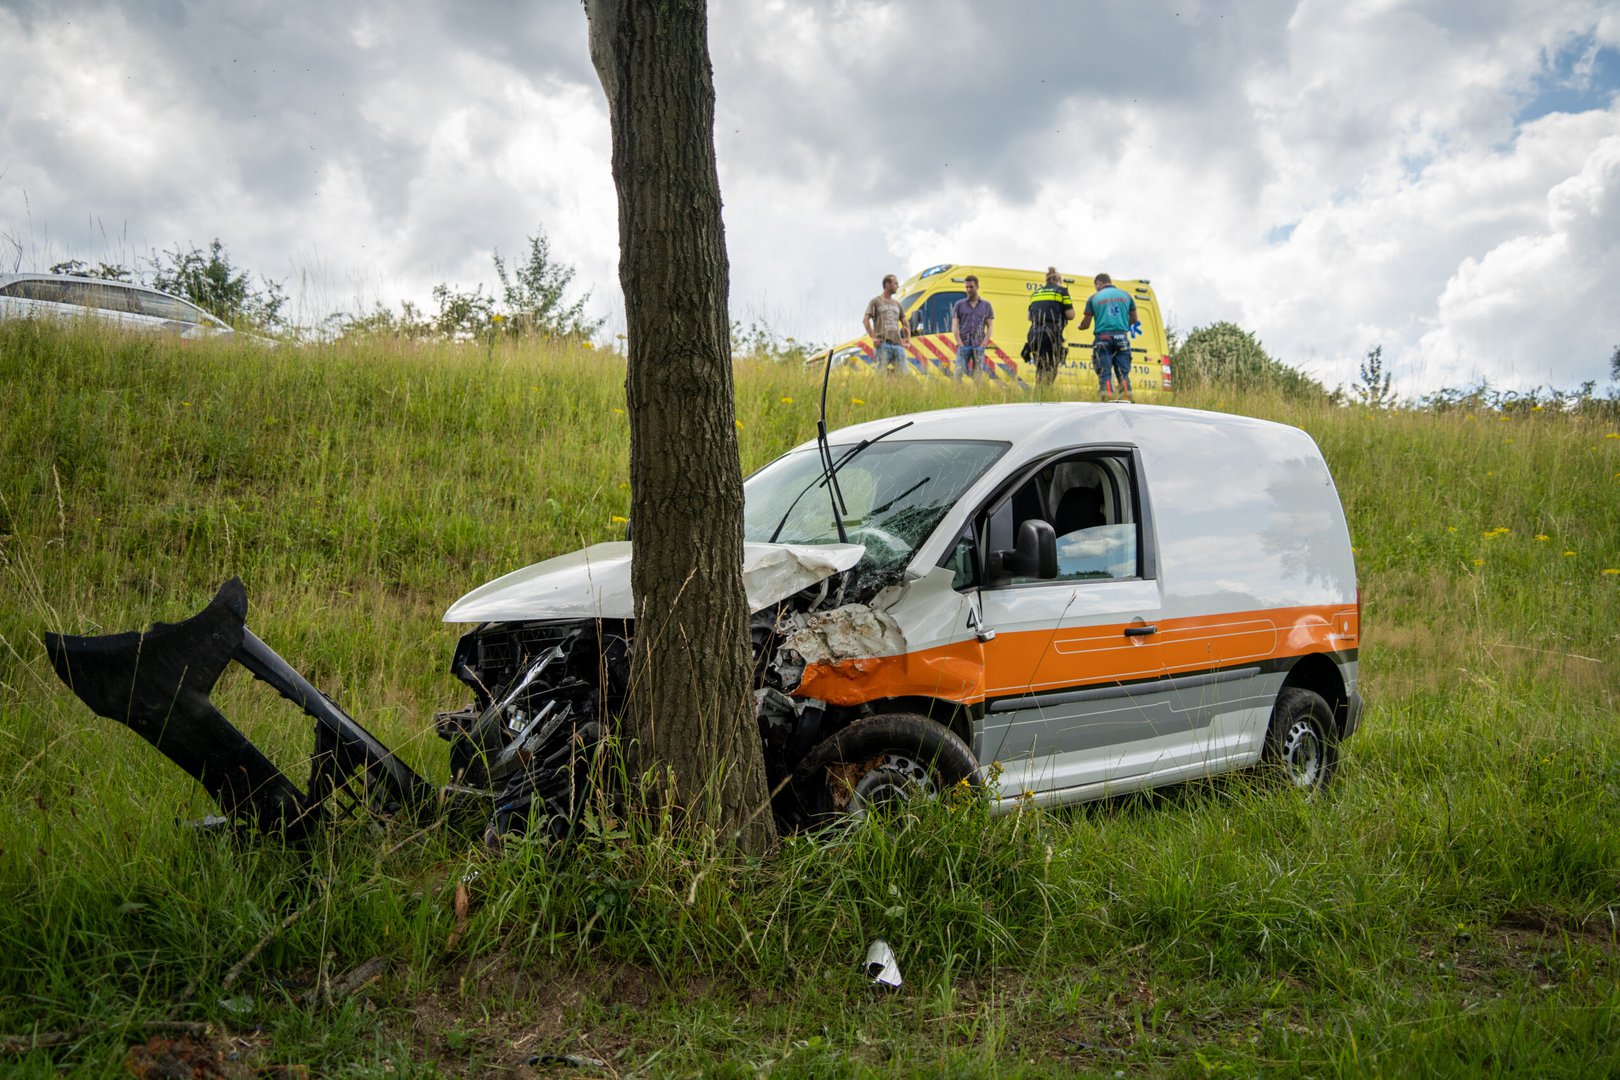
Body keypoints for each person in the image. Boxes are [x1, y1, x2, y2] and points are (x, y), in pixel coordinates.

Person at [1077, 273, 1139, 402]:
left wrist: (1080, 326)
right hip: (1122, 337)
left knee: (1104, 372)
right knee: (1123, 373)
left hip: (1103, 339)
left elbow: (1086, 324)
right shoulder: (1126, 295)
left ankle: (1106, 400)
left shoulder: (1093, 298)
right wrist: (1122, 325)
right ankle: (1127, 399)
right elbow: (1134, 319)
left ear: (1098, 283)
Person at [1024, 267, 1074, 386]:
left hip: (1034, 335)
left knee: (1040, 368)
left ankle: (1039, 392)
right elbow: (1070, 315)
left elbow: (1029, 317)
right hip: (1051, 334)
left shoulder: (1036, 293)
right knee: (1051, 368)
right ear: (1059, 281)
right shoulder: (1062, 291)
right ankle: (1045, 393)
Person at [863, 274, 910, 373]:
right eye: (895, 283)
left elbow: (905, 323)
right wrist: (873, 337)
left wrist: (908, 339)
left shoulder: (897, 304)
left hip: (898, 345)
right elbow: (866, 320)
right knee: (881, 374)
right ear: (887, 284)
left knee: (904, 374)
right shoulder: (875, 302)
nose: (898, 286)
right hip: (882, 344)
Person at [949, 274, 994, 378]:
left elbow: (990, 326)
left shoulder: (986, 305)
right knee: (958, 375)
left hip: (979, 345)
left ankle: (977, 390)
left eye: (971, 287)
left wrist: (984, 343)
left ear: (977, 287)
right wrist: (960, 343)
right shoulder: (959, 305)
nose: (968, 289)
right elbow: (955, 325)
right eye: (966, 287)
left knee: (978, 376)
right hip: (964, 345)